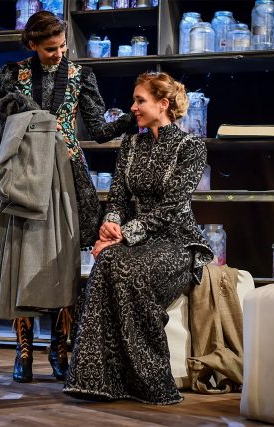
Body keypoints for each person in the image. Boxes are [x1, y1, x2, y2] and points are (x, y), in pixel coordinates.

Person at [0, 11, 136, 384]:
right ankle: (23, 352)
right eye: (50, 48)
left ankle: (59, 348)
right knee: (20, 258)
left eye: (63, 46)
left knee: (63, 259)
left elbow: (98, 130)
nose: (59, 54)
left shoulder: (81, 76)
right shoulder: (12, 74)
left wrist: (133, 119)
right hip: (24, 174)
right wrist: (17, 120)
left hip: (65, 175)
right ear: (32, 44)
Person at [63, 72, 214, 404]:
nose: (132, 107)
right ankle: (96, 381)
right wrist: (110, 226)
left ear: (163, 104)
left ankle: (152, 382)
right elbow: (117, 198)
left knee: (127, 269)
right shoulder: (131, 145)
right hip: (134, 241)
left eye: (139, 101)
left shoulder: (191, 147)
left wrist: (124, 235)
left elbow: (172, 207)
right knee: (106, 263)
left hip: (177, 242)